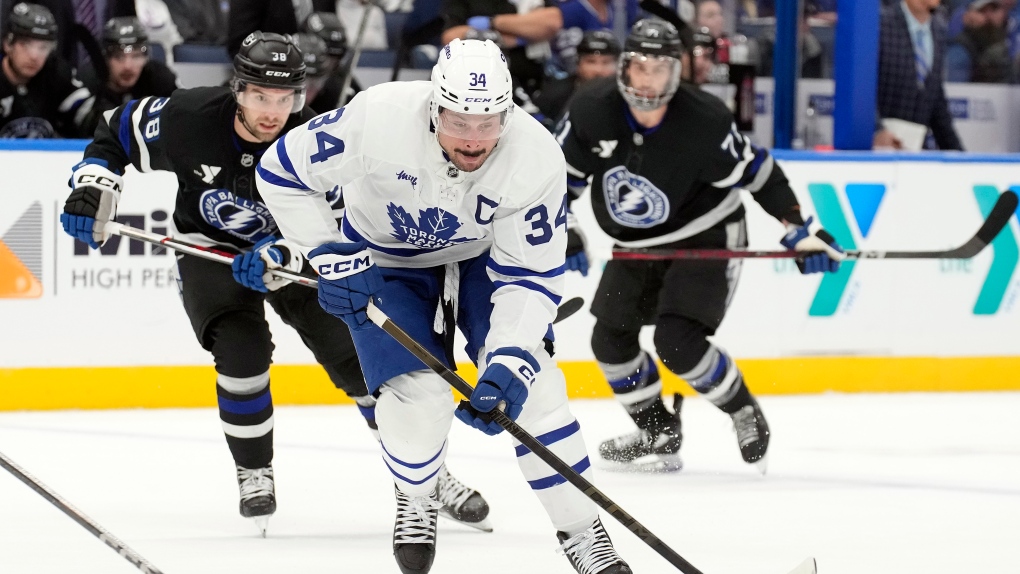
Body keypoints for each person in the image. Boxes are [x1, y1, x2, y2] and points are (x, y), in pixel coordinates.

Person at [58, 31, 490, 537]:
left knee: (358, 363)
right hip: (209, 249)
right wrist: (94, 184)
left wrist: (283, 252)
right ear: (237, 89)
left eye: (285, 98)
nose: (273, 111)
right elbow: (116, 130)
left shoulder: (315, 141)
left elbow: (335, 223)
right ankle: (253, 470)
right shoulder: (190, 117)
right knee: (241, 351)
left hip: (296, 255)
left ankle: (426, 477)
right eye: (261, 96)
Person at [255, 38, 633, 574]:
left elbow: (529, 275)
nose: (474, 139)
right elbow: (280, 172)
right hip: (386, 259)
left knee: (539, 388)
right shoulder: (379, 116)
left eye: (488, 123)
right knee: (418, 399)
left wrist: (509, 361)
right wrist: (328, 255)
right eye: (459, 121)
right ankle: (416, 495)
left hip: (483, 260)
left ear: (507, 112)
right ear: (434, 106)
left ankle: (582, 530)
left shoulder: (536, 154)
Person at [555, 19, 845, 474]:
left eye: (659, 68)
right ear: (624, 69)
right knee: (609, 340)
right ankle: (656, 430)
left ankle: (742, 409)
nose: (648, 80)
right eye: (639, 67)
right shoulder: (591, 109)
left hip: (705, 232)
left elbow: (760, 173)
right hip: (635, 243)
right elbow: (557, 180)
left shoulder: (704, 120)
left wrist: (797, 228)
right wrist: (565, 226)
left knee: (678, 341)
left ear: (677, 71)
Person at [874, 0, 963, 150]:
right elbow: (862, 86)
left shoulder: (939, 30)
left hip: (914, 147)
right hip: (877, 147)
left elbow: (935, 95)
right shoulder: (880, 23)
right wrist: (876, 130)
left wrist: (959, 156)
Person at [0, 2, 97, 138]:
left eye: (43, 47)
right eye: (25, 44)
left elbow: (89, 115)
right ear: (7, 44)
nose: (34, 56)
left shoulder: (56, 73)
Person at [79, 16, 180, 116]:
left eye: (136, 56)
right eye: (119, 56)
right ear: (105, 58)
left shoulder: (160, 79)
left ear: (146, 58)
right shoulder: (86, 84)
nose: (128, 66)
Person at [533, 29, 620, 129]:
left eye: (606, 62)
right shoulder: (553, 95)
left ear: (619, 65)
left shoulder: (627, 99)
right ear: (578, 62)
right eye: (591, 62)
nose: (598, 70)